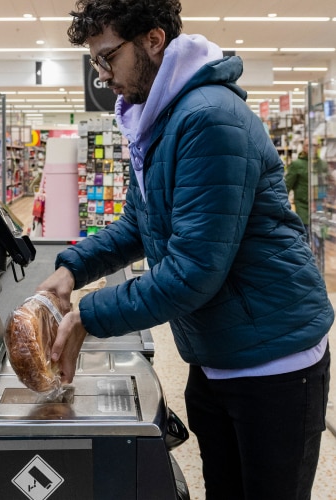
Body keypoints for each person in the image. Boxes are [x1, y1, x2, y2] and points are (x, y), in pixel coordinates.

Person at [32, 1, 333, 498]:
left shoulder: (208, 118)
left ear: (153, 40)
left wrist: (88, 317)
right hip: (217, 350)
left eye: (108, 57)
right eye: (96, 63)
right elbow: (137, 224)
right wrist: (71, 268)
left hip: (273, 362)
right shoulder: (157, 119)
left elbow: (193, 271)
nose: (102, 75)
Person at [285, 141, 327, 231]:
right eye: (308, 145)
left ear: (318, 147)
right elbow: (287, 185)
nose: (312, 147)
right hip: (303, 207)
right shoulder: (297, 164)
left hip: (319, 206)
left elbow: (325, 184)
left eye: (314, 145)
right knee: (306, 234)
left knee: (319, 238)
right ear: (304, 148)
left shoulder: (322, 164)